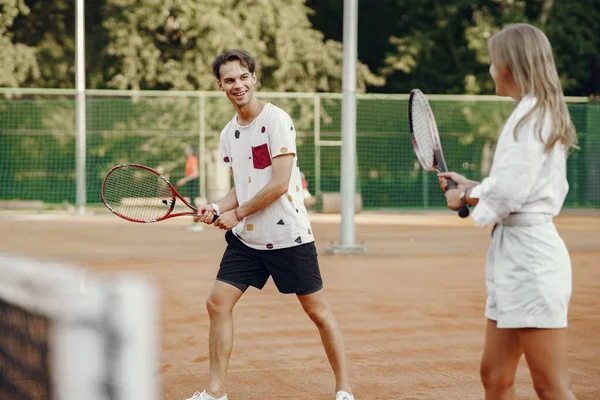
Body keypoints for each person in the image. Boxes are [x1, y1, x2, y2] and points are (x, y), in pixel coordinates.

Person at [185, 49, 355, 400]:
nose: (238, 84)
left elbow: (278, 183)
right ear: (220, 85)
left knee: (318, 313)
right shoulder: (229, 134)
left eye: (243, 76)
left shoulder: (277, 121)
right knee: (217, 303)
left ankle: (344, 389)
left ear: (254, 78)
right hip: (247, 240)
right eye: (229, 79)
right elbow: (242, 185)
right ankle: (216, 392)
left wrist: (236, 214)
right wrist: (217, 207)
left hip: (287, 236)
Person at [438, 24, 577, 400]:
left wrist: (465, 198)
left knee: (551, 386)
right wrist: (472, 187)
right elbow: (514, 183)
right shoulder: (530, 114)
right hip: (517, 257)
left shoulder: (531, 118)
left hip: (531, 262)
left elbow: (511, 192)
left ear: (510, 66)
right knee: (495, 374)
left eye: (492, 61)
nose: (489, 69)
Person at [176, 144, 203, 232]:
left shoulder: (193, 159)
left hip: (193, 182)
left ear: (191, 150)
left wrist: (184, 180)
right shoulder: (189, 159)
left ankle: (197, 223)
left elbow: (195, 173)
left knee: (192, 203)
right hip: (191, 182)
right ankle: (195, 223)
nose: (185, 150)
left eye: (187, 149)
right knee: (191, 202)